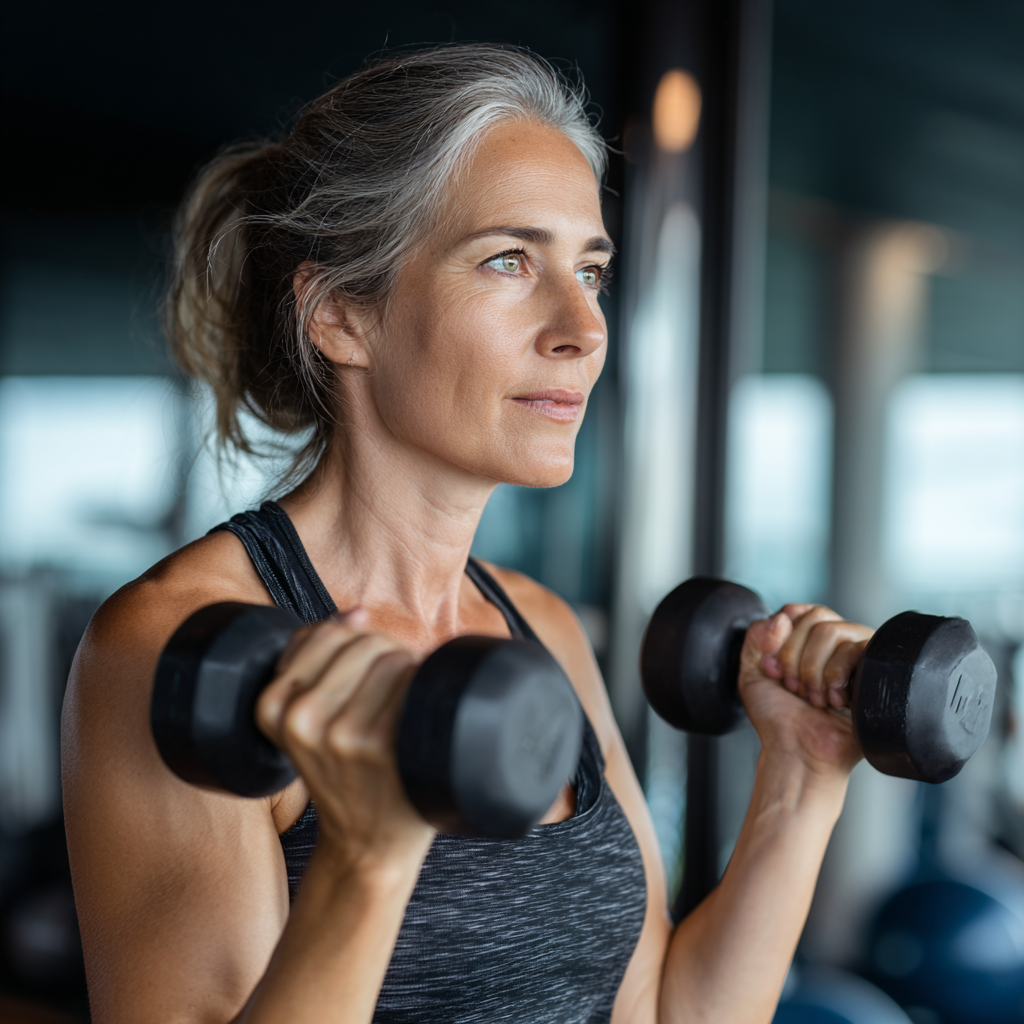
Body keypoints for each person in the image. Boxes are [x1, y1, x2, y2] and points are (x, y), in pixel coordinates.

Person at [62, 44, 874, 1024]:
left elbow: (662, 1014)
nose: (582, 325)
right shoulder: (180, 646)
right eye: (507, 260)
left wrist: (802, 776)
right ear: (341, 316)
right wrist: (366, 859)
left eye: (590, 270)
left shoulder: (539, 628)